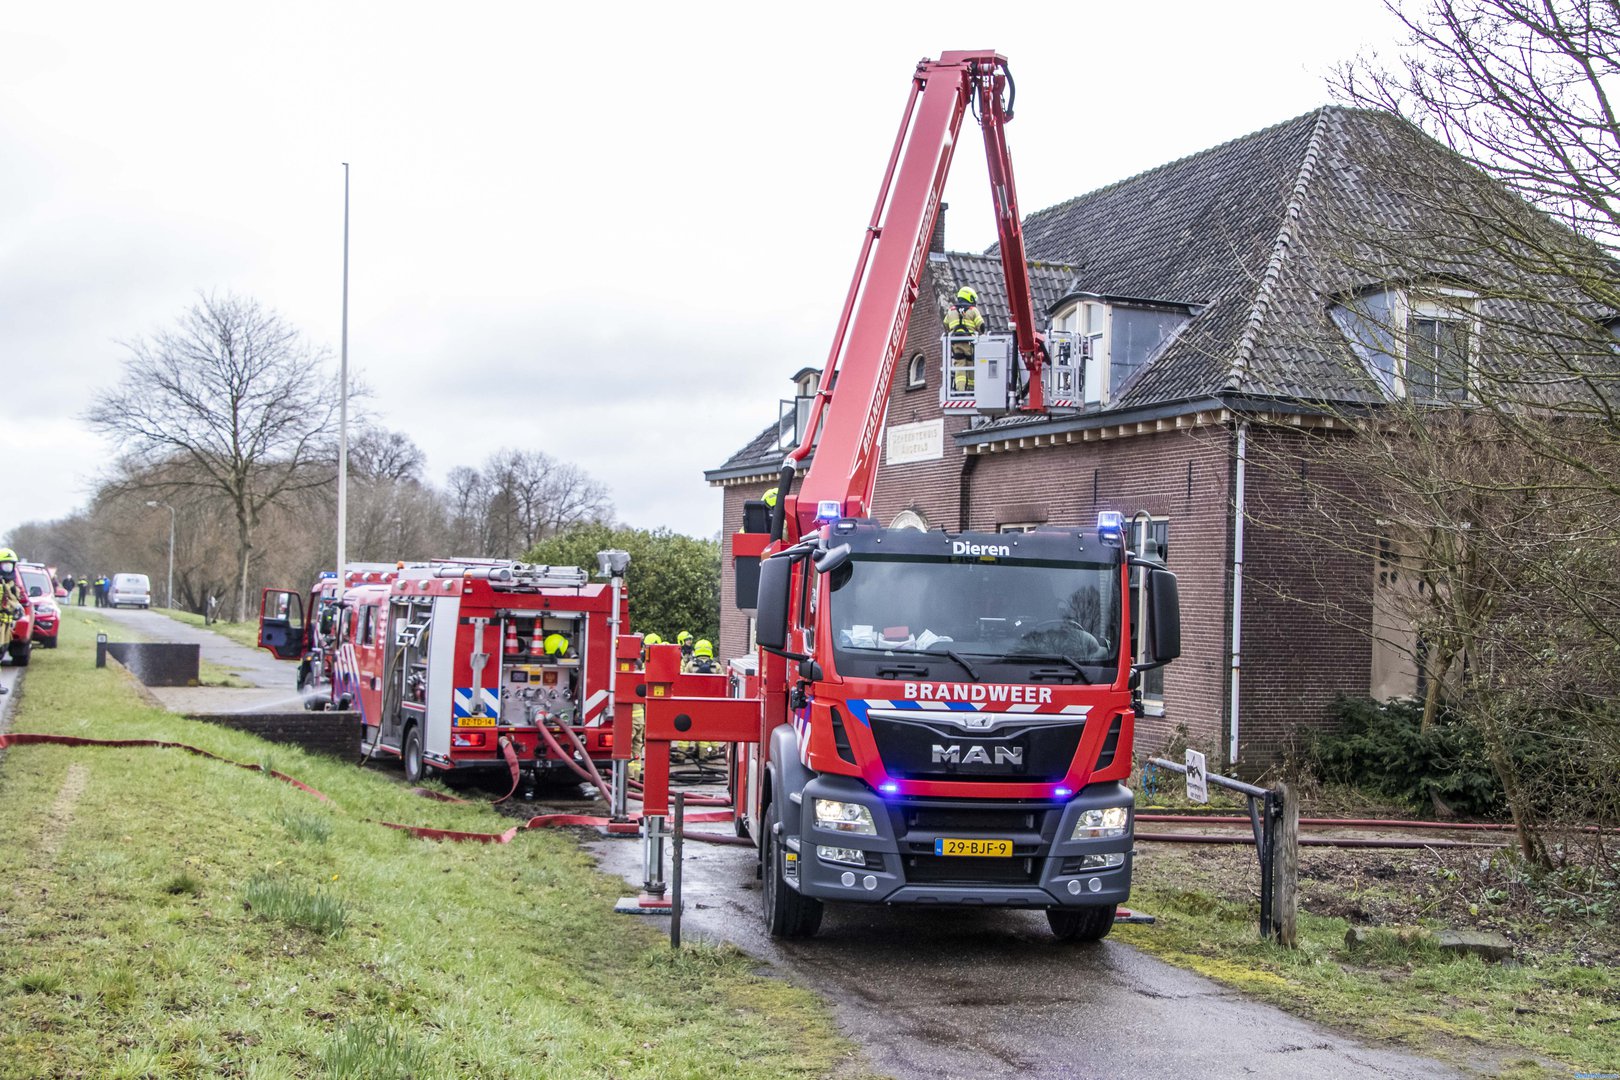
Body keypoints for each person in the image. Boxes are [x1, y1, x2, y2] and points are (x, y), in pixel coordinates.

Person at [944, 285, 985, 392]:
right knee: (971, 364)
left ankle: (960, 390)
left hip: (956, 344)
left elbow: (945, 324)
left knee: (959, 366)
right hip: (969, 343)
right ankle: (971, 389)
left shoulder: (951, 310)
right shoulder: (973, 310)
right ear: (970, 297)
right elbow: (982, 326)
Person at [0, 550, 21, 688]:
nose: (8, 568)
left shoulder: (12, 584)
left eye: (10, 565)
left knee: (2, 651)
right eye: (4, 565)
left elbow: (15, 600)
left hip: (6, 623)